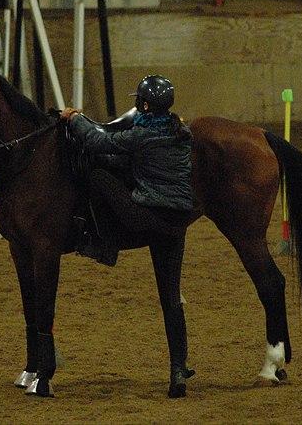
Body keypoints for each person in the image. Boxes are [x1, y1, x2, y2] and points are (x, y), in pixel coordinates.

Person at [60, 75, 196, 398]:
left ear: (145, 105)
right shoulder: (181, 130)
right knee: (171, 297)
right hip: (177, 224)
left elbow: (97, 144)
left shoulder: (143, 133)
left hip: (147, 218)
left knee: (96, 176)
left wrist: (75, 118)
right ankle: (178, 368)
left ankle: (103, 245)